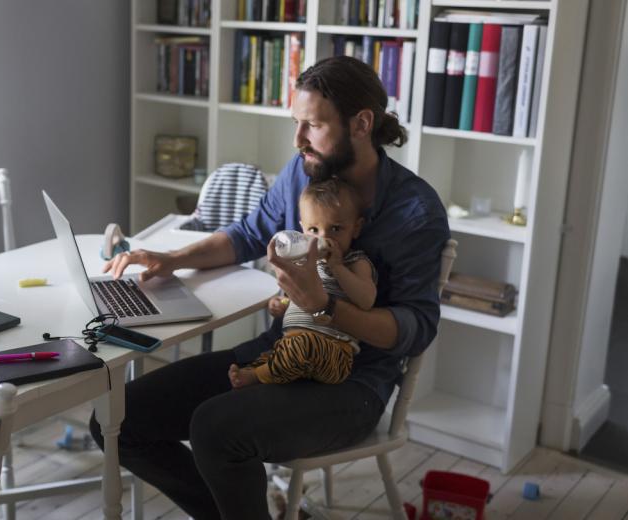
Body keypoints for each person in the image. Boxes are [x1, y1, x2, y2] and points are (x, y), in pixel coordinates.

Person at [90, 55, 450, 519]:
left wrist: (325, 307)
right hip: (278, 354)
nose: (298, 140)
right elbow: (246, 233)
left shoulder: (415, 212)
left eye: (312, 126)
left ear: (361, 123)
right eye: (296, 123)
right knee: (117, 420)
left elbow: (414, 329)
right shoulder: (304, 171)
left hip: (354, 383)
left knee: (216, 429)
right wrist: (171, 260)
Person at [228, 178, 377, 388]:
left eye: (335, 229)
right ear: (301, 230)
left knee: (303, 347)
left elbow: (366, 300)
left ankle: (258, 375)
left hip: (334, 351)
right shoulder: (304, 262)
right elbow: (299, 298)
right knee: (281, 351)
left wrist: (337, 267)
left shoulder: (354, 262)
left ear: (356, 227)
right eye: (314, 230)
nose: (323, 239)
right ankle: (266, 368)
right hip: (291, 342)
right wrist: (282, 303)